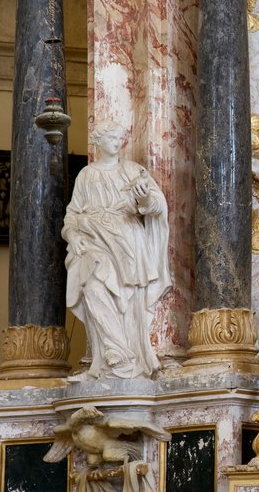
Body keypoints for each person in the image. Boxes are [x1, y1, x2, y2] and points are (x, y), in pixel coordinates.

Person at [62, 120, 169, 381]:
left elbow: (156, 204)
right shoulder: (86, 175)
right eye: (110, 138)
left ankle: (124, 357)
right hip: (93, 241)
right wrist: (73, 235)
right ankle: (114, 354)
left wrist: (143, 199)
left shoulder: (133, 171)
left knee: (126, 298)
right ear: (98, 143)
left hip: (126, 241)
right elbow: (72, 214)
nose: (116, 143)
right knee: (92, 286)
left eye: (119, 138)